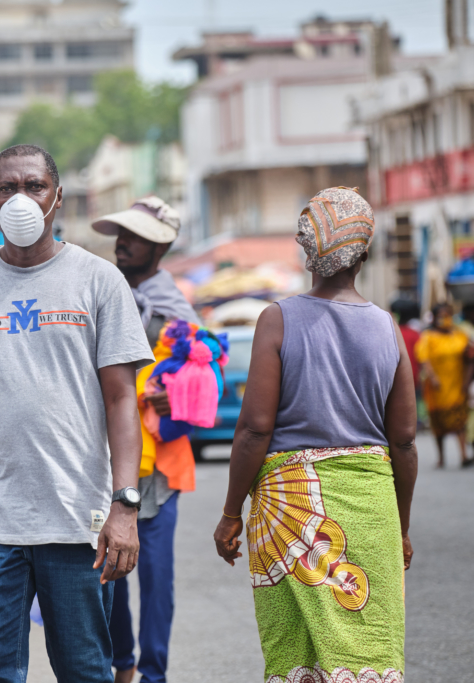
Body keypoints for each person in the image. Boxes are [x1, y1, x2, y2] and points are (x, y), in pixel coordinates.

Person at [0, 144, 154, 682]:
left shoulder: (98, 281)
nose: (21, 199)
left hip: (78, 521)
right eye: (8, 189)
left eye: (34, 187)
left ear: (57, 198)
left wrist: (125, 508)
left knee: (85, 670)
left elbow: (122, 400)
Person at [214, 187, 416, 683]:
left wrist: (229, 513)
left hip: (290, 514)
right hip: (372, 510)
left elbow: (255, 428)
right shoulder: (387, 329)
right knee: (370, 647)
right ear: (363, 256)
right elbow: (405, 441)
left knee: (295, 652)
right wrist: (401, 528)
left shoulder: (278, 320)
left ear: (307, 250)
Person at [91, 197, 201, 683]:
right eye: (120, 233)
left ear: (161, 245)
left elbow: (202, 388)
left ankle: (153, 673)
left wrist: (171, 396)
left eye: (134, 236)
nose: (122, 242)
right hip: (103, 457)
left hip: (159, 467)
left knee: (156, 577)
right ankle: (122, 665)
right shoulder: (100, 290)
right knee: (105, 568)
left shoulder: (177, 312)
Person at [415, 302, 474, 468]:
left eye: (448, 314)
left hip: (457, 384)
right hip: (437, 388)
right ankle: (441, 457)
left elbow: (470, 357)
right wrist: (433, 378)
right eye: (442, 315)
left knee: (459, 418)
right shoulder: (428, 337)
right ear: (434, 318)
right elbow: (424, 358)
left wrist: (467, 380)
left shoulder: (459, 335)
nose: (446, 318)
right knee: (438, 421)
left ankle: (463, 455)